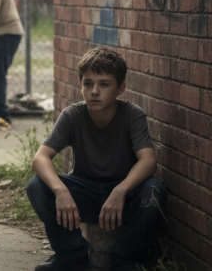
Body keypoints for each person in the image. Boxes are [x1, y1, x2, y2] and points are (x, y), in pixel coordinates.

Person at [27, 47, 166, 271]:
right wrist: (61, 191)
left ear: (121, 88)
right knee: (37, 185)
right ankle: (72, 255)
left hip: (123, 195)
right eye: (88, 83)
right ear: (80, 84)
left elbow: (148, 160)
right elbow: (41, 158)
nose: (94, 91)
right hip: (85, 191)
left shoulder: (132, 115)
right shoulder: (72, 115)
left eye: (104, 84)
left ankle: (126, 259)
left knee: (153, 189)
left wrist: (120, 191)